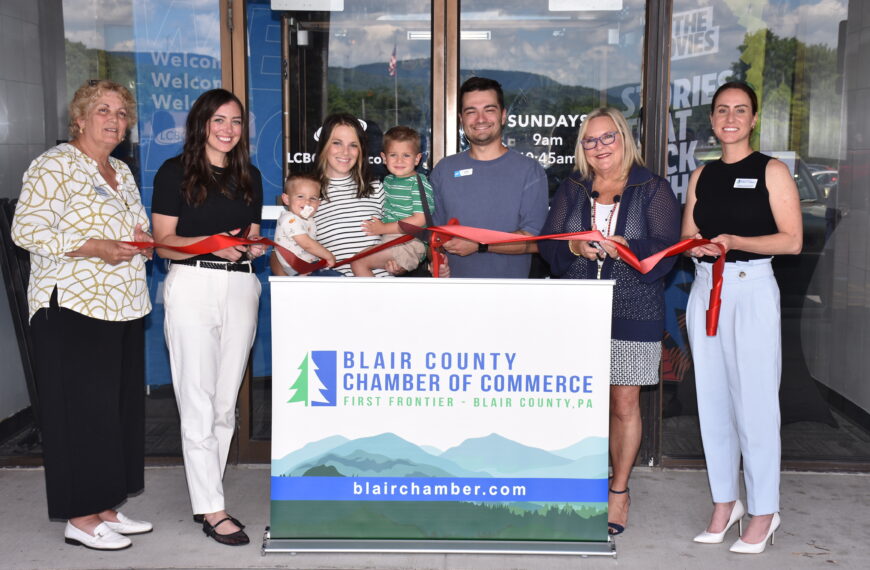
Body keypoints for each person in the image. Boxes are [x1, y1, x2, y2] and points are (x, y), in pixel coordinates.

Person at [12, 79, 154, 550]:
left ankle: (107, 505)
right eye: (103, 111)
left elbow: (135, 225)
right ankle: (80, 516)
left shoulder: (121, 170)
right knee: (81, 414)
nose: (114, 120)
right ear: (80, 118)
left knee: (114, 412)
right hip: (71, 305)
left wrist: (143, 243)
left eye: (121, 113)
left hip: (125, 305)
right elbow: (26, 230)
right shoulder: (53, 164)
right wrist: (93, 247)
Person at [538, 107, 680, 536]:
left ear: (624, 138)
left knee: (623, 403)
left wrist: (626, 247)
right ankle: (583, 482)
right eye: (590, 140)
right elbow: (548, 244)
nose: (599, 147)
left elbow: (665, 249)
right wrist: (576, 250)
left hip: (634, 307)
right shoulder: (573, 187)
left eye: (607, 138)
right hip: (578, 309)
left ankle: (618, 491)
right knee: (582, 402)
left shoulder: (652, 188)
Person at [682, 81, 801, 554]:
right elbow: (689, 233)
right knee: (712, 404)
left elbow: (791, 240)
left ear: (753, 120)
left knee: (754, 405)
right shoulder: (701, 177)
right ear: (712, 120)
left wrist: (733, 240)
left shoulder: (772, 171)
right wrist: (700, 246)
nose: (730, 118)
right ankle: (724, 502)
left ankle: (764, 510)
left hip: (751, 289)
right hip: (705, 288)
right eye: (721, 110)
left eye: (741, 110)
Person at [152, 88, 266, 546]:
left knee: (223, 404)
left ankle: (207, 494)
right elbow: (163, 241)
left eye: (236, 122)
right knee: (197, 400)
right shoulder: (174, 172)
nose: (227, 130)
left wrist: (251, 247)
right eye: (219, 120)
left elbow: (251, 236)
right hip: (192, 285)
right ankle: (212, 508)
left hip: (240, 285)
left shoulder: (249, 175)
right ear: (200, 123)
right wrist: (214, 242)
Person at [430, 77, 548, 278]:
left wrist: (480, 245)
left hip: (508, 299)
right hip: (452, 299)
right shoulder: (443, 170)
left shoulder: (529, 171)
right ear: (461, 119)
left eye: (489, 110)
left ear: (503, 116)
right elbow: (433, 238)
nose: (480, 119)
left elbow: (536, 242)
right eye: (471, 112)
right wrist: (435, 260)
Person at [270, 113, 390, 277]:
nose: (345, 152)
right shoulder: (308, 196)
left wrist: (400, 262)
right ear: (324, 145)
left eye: (353, 145)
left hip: (379, 286)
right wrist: (289, 288)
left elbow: (396, 237)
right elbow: (284, 247)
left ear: (361, 150)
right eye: (337, 143)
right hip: (332, 291)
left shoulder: (375, 188)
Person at [351, 125, 433, 277]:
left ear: (417, 159)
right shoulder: (388, 181)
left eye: (406, 155)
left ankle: (373, 301)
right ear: (384, 158)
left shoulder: (418, 182)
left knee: (358, 262)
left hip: (410, 243)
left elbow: (420, 220)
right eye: (393, 155)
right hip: (392, 241)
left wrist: (383, 228)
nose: (399, 160)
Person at [273, 172, 337, 275]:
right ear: (286, 199)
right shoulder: (290, 218)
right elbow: (306, 244)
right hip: (300, 266)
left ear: (318, 203)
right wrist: (328, 256)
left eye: (313, 198)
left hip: (308, 267)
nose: (307, 202)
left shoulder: (309, 220)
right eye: (300, 196)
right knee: (335, 278)